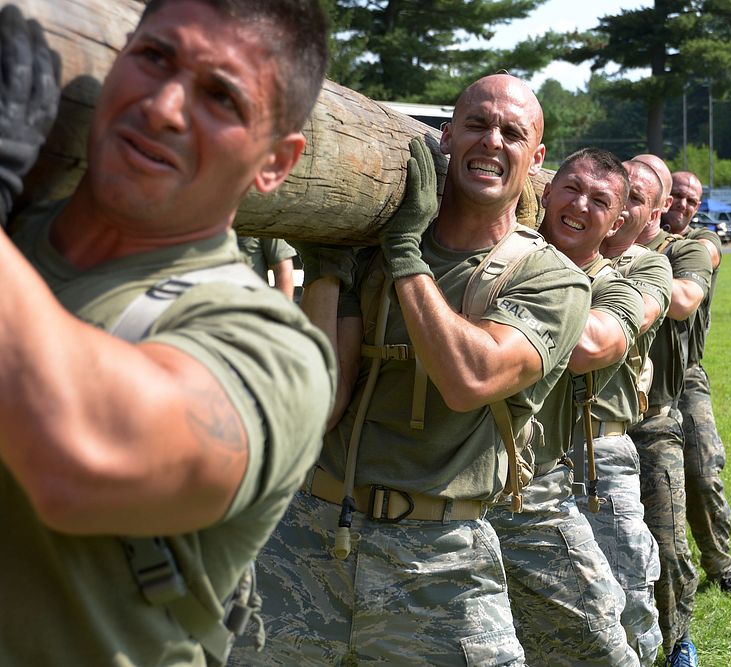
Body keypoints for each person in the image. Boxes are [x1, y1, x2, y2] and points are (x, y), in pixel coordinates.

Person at [0, 1, 336, 665]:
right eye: (154, 58)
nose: (163, 108)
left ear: (275, 162)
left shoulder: (274, 349)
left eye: (221, 97)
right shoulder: (16, 226)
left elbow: (78, 454)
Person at [234, 74, 592, 666]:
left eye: (512, 132)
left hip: (439, 557)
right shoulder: (371, 252)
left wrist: (405, 254)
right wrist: (329, 265)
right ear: (446, 136)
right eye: (476, 125)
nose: (492, 142)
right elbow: (323, 404)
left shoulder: (550, 278)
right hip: (309, 537)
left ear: (536, 158)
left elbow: (468, 378)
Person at [488, 147, 645, 666]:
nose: (580, 206)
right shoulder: (496, 251)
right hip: (454, 481)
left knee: (603, 635)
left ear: (618, 221)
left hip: (536, 490)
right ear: (547, 190)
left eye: (599, 200)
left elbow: (585, 349)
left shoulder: (617, 286)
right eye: (572, 189)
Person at [567, 157, 674, 666]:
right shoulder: (550, 249)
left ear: (651, 214)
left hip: (600, 450)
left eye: (634, 198)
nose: (623, 207)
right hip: (534, 453)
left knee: (626, 586)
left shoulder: (647, 267)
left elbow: (609, 334)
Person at [627, 156, 713, 667]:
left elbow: (683, 299)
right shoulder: (600, 242)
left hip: (656, 416)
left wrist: (628, 280)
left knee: (669, 540)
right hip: (592, 420)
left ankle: (678, 639)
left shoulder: (687, 250)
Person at [664, 171, 731, 597]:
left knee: (701, 469)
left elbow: (708, 254)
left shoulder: (701, 239)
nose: (682, 203)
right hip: (630, 377)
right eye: (675, 194)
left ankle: (720, 562)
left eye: (691, 200)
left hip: (685, 374)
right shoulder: (629, 233)